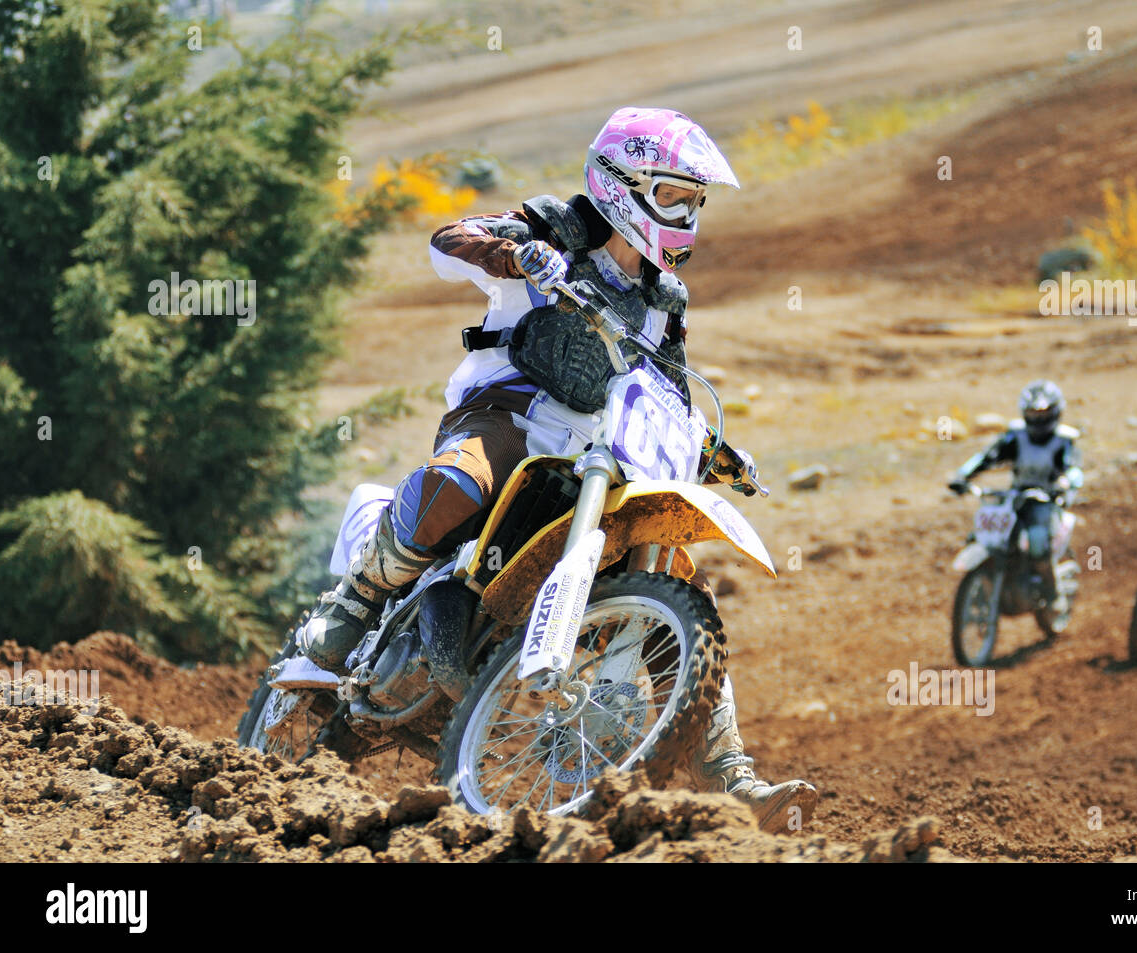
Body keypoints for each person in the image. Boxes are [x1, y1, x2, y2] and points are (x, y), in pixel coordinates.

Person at [298, 106, 817, 831]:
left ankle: (731, 772)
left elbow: (666, 383)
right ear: (619, 185)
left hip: (598, 453)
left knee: (675, 582)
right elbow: (448, 240)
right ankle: (357, 598)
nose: (686, 214)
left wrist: (712, 446)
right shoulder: (554, 226)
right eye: (673, 196)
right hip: (510, 413)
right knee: (464, 480)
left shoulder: (666, 300)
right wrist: (514, 255)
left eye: (694, 202)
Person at [947, 380, 1083, 611]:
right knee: (985, 533)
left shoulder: (1064, 440)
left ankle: (1052, 593)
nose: (1038, 420)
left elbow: (1073, 468)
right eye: (1032, 414)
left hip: (1046, 499)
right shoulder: (1016, 435)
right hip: (1017, 496)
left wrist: (1066, 481)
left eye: (1043, 414)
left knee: (1039, 543)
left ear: (1056, 412)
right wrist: (963, 475)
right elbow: (988, 456)